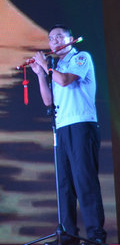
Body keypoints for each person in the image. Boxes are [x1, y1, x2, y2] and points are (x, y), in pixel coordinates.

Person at [29, 24, 106, 245]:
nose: (54, 42)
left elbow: (64, 80)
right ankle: (68, 236)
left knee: (85, 181)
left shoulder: (80, 58)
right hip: (62, 128)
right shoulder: (57, 67)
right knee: (64, 184)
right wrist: (40, 74)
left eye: (59, 37)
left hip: (82, 125)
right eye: (50, 39)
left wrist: (46, 66)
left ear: (69, 39)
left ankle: (96, 236)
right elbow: (48, 101)